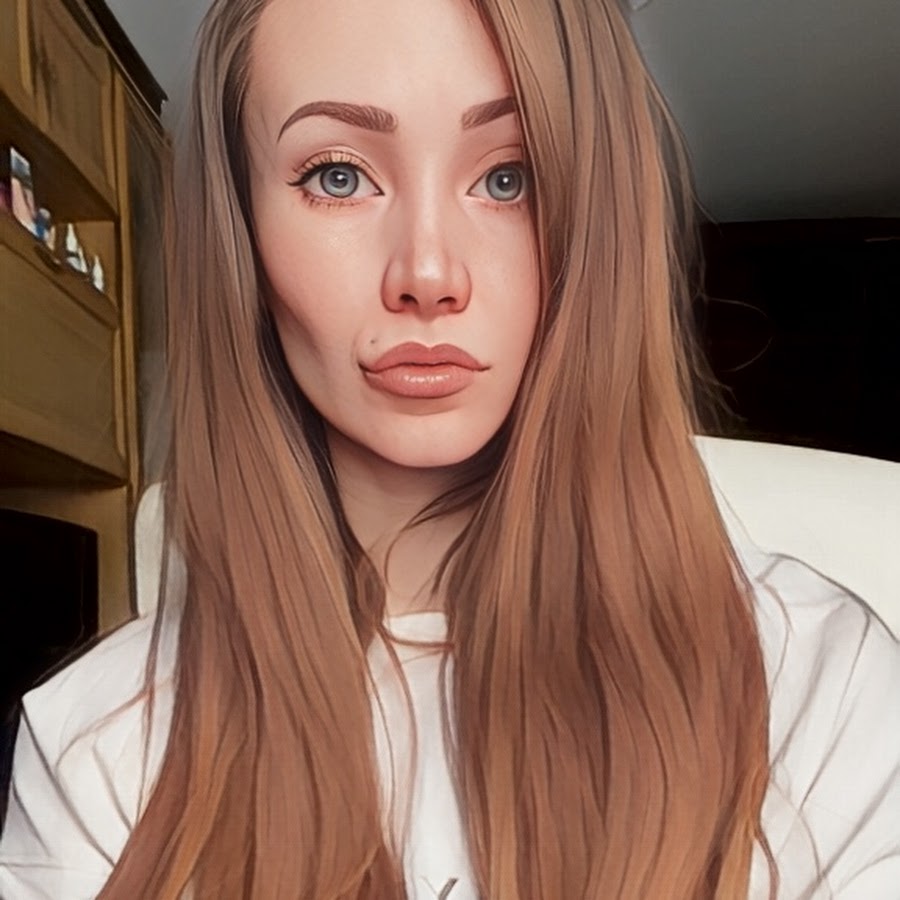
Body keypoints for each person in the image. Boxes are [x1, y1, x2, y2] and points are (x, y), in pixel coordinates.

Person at [1, 0, 898, 897]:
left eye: (510, 178)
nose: (428, 274)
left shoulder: (819, 685)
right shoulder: (95, 749)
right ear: (240, 233)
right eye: (339, 177)